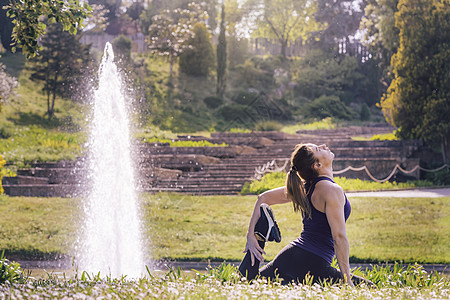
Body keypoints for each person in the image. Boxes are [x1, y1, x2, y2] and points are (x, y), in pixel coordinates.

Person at [238, 143, 370, 286]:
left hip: (290, 256)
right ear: (317, 165)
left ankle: (262, 230)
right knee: (369, 288)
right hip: (313, 263)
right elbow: (338, 236)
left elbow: (263, 198)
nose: (324, 146)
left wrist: (251, 235)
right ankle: (262, 230)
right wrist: (347, 279)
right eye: (319, 149)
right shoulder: (332, 190)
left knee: (246, 284)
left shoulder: (304, 186)